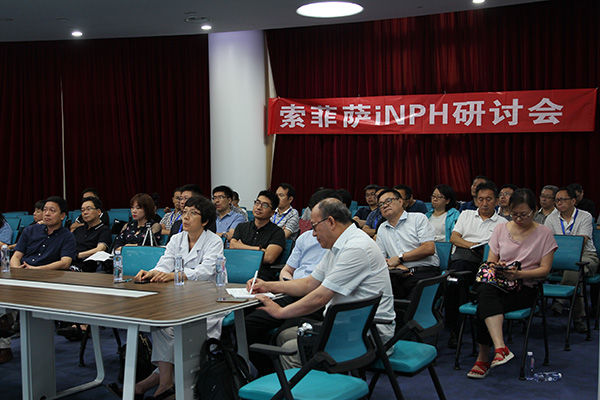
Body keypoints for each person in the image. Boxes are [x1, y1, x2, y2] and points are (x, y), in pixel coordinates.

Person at [247, 198, 395, 370]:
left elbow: (320, 297)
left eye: (314, 226)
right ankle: (290, 381)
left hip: (366, 333)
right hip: (348, 325)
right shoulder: (339, 246)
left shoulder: (356, 248)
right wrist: (268, 286)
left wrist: (280, 312)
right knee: (283, 336)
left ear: (330, 222)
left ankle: (301, 386)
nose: (313, 234)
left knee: (290, 348)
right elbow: (309, 284)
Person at [129, 196, 224, 399]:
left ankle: (158, 382)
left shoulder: (214, 241)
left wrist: (176, 275)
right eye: (184, 212)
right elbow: (165, 263)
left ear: (205, 220)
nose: (186, 217)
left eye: (192, 213)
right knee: (161, 324)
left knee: (173, 328)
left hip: (206, 301)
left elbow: (206, 271)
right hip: (179, 299)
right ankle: (165, 383)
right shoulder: (176, 239)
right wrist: (151, 273)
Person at [244, 189, 337, 376]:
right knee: (248, 324)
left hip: (316, 298)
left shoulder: (341, 246)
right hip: (293, 291)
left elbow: (316, 290)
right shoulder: (305, 238)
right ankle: (269, 373)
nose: (313, 231)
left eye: (316, 224)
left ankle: (284, 377)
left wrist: (283, 297)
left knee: (283, 334)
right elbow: (287, 270)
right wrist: (288, 285)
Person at [467, 189, 557, 379]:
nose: (519, 219)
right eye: (515, 214)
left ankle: (483, 358)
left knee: (485, 304)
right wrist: (498, 266)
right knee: (486, 292)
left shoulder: (544, 233)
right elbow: (491, 261)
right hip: (500, 283)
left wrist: (519, 274)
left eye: (524, 215)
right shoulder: (501, 229)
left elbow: (545, 270)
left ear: (534, 211)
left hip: (526, 287)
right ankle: (500, 348)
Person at [5, 196, 77, 363]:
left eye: (52, 211)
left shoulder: (67, 236)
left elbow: (65, 262)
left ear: (62, 215)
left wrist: (37, 270)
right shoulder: (30, 231)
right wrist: (17, 270)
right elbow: (16, 256)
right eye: (45, 210)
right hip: (23, 275)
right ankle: (4, 344)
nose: (47, 214)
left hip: (48, 278)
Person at [446, 181, 506, 348]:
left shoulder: (502, 223)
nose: (484, 203)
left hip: (484, 264)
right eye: (481, 199)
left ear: (496, 201)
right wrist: (472, 245)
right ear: (476, 200)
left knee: (455, 279)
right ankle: (457, 328)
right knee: (457, 278)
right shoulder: (466, 214)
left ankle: (456, 329)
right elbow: (454, 238)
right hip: (462, 259)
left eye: (489, 199)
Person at [544, 186, 599, 333]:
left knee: (575, 267)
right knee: (575, 273)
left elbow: (582, 242)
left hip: (587, 255)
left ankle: (560, 301)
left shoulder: (585, 216)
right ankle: (578, 319)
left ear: (573, 201)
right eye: (557, 200)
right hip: (561, 258)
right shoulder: (551, 218)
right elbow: (547, 242)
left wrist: (563, 248)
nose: (559, 203)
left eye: (563, 199)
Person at [376, 189, 440, 300]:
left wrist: (400, 258)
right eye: (381, 204)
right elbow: (380, 259)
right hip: (397, 274)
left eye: (388, 201)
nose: (384, 205)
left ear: (400, 202)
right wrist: (397, 266)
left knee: (409, 307)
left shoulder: (418, 218)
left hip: (423, 273)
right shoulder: (382, 228)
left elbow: (428, 249)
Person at [230, 190, 286, 281]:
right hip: (237, 270)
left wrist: (241, 248)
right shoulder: (241, 226)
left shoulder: (277, 232)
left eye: (265, 205)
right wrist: (259, 250)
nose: (259, 207)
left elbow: (269, 258)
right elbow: (232, 246)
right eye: (257, 203)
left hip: (261, 275)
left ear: (272, 212)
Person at [72, 197, 112, 272]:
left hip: (88, 266)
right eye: (82, 210)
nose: (85, 212)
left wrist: (78, 255)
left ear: (98, 212)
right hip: (71, 262)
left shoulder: (104, 230)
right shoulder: (78, 230)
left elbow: (100, 249)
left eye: (88, 209)